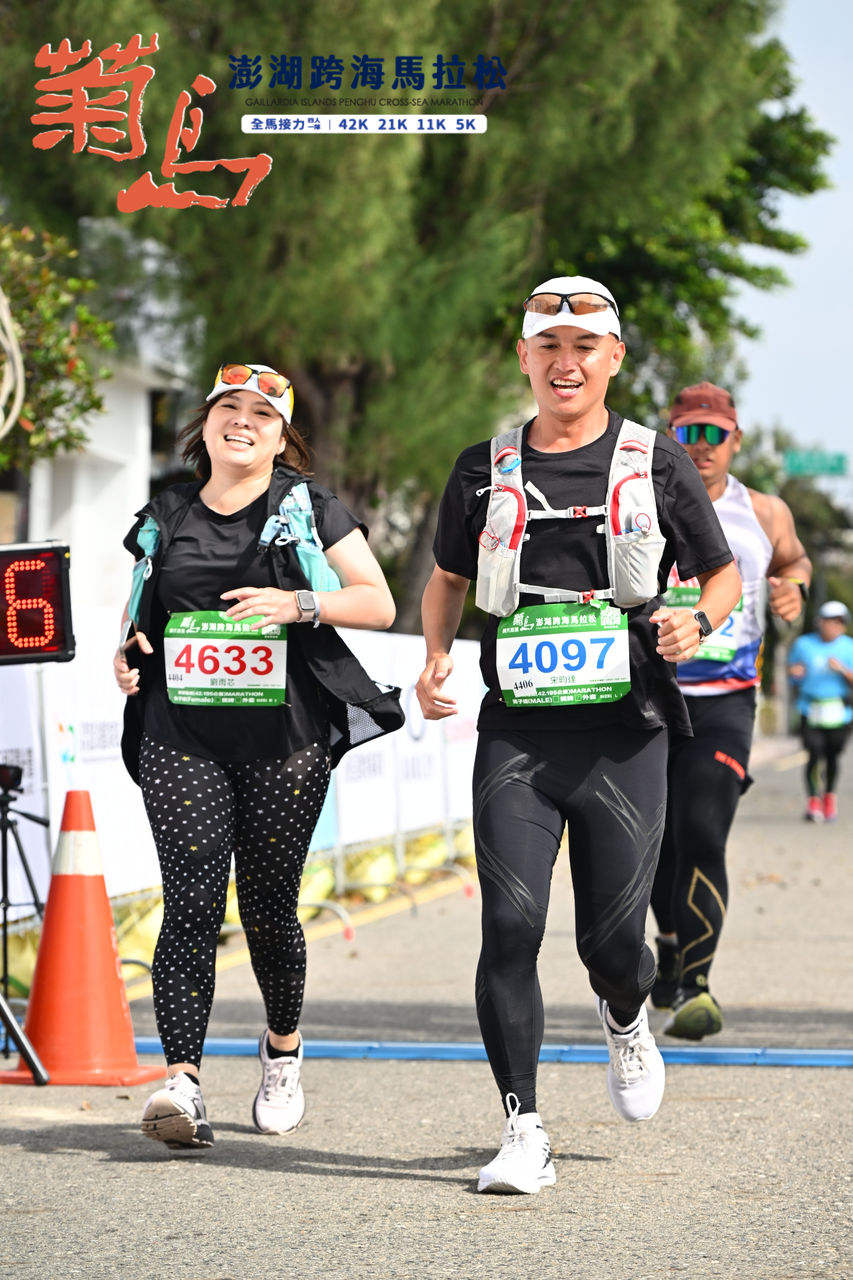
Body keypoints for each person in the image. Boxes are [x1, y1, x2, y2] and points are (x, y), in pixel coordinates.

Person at [415, 277, 741, 1195]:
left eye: (584, 347)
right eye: (548, 347)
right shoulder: (480, 468)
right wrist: (435, 656)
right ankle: (522, 1128)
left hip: (625, 735)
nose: (565, 363)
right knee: (509, 923)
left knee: (609, 946)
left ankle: (626, 1013)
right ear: (524, 357)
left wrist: (695, 623)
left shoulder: (656, 461)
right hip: (517, 733)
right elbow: (447, 578)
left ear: (613, 358)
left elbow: (720, 575)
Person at [114, 361, 400, 1150]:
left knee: (268, 908)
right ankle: (182, 1082)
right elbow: (142, 617)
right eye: (228, 408)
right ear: (204, 425)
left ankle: (281, 1050)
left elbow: (377, 601)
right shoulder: (165, 513)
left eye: (262, 414)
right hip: (181, 734)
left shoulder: (308, 507)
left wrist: (297, 604)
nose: (242, 421)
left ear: (282, 439)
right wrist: (127, 655)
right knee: (190, 900)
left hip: (284, 738)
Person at [648, 381, 811, 1040]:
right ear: (672, 438)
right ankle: (667, 947)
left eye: (714, 434)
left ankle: (695, 985)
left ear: (735, 440)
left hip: (726, 702)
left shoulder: (764, 512)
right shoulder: (641, 504)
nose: (701, 446)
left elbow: (794, 562)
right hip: (649, 699)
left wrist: (793, 589)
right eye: (689, 433)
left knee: (701, 831)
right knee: (653, 843)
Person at [788, 599, 853, 823]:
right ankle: (813, 801)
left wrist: (842, 669)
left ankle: (829, 797)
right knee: (814, 753)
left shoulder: (849, 647)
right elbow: (791, 672)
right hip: (810, 707)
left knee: (833, 756)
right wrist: (795, 672)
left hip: (839, 710)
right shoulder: (804, 644)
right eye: (830, 621)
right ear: (820, 622)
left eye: (839, 622)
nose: (834, 626)